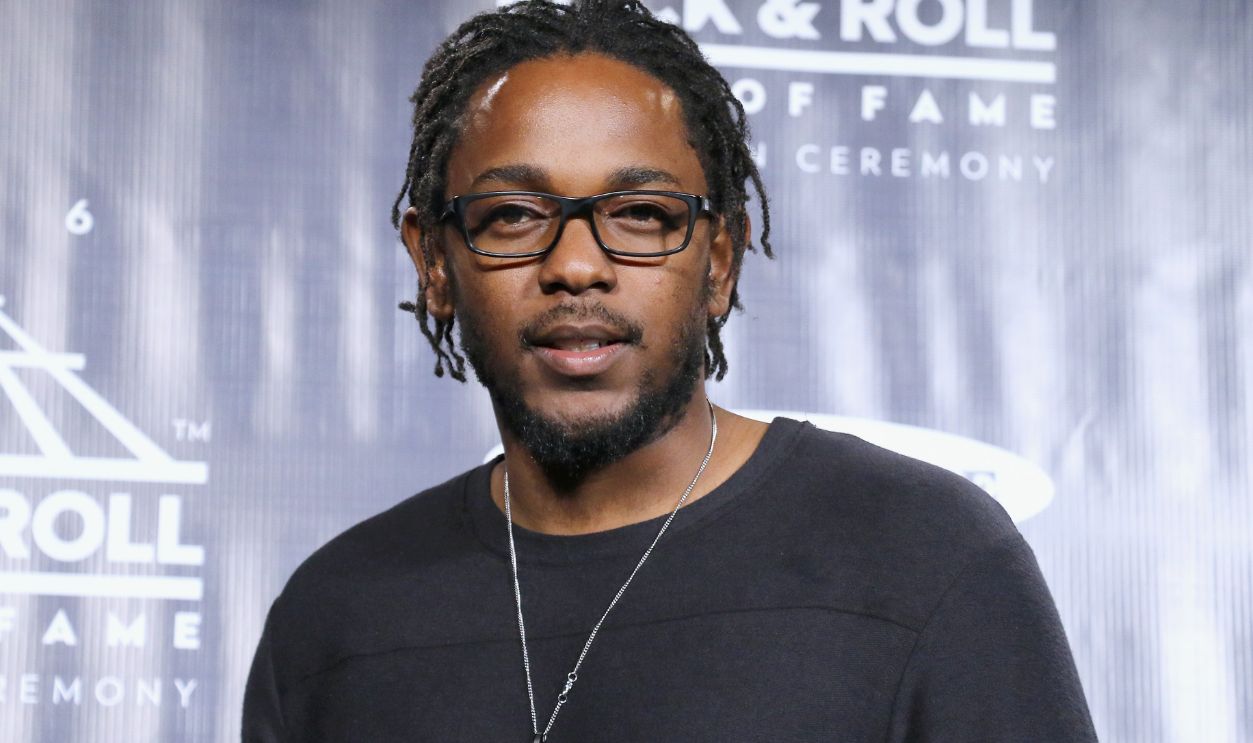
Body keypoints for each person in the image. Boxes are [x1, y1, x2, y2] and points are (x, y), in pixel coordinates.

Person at [243, 1, 1098, 740]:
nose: (576, 265)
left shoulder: (925, 554)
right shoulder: (334, 616)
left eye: (642, 214)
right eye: (511, 215)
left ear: (719, 259)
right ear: (433, 260)